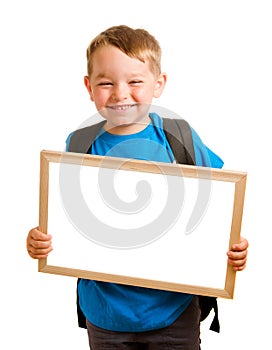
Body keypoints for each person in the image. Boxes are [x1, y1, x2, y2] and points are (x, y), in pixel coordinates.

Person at [26, 25, 249, 349]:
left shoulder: (179, 138)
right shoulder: (79, 144)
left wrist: (233, 246)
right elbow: (65, 218)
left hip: (173, 309)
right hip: (105, 313)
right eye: (106, 82)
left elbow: (219, 205)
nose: (120, 93)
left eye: (135, 81)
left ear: (158, 84)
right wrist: (39, 241)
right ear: (89, 87)